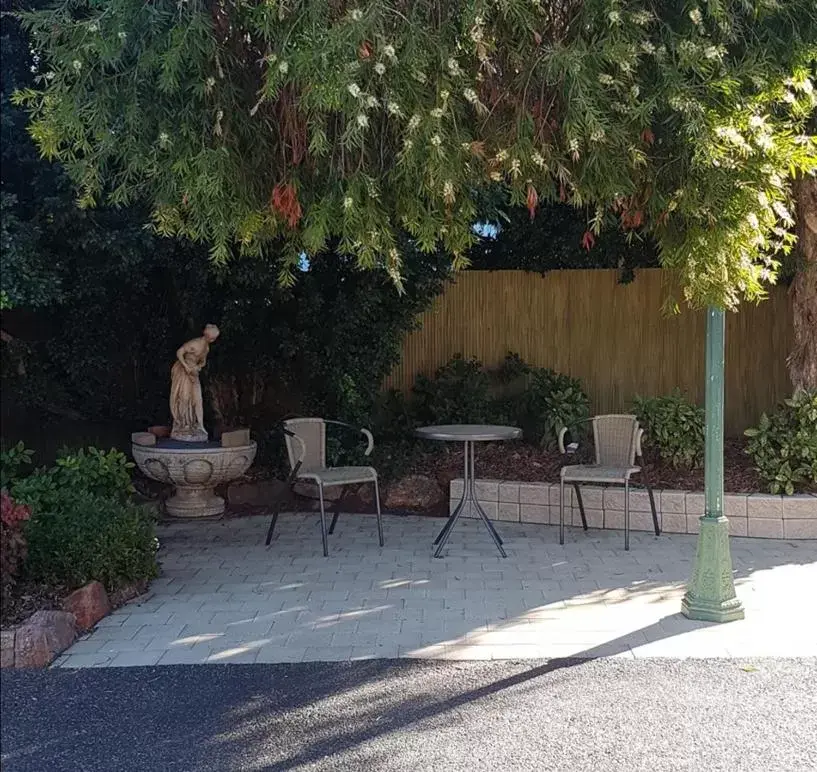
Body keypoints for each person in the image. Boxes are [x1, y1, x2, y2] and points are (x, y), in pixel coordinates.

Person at [169, 324, 220, 441]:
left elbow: (203, 361)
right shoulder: (195, 343)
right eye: (213, 338)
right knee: (184, 397)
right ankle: (183, 425)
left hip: (193, 372)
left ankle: (199, 425)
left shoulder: (206, 347)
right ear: (208, 336)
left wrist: (198, 366)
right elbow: (179, 352)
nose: (213, 340)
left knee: (197, 398)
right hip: (183, 371)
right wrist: (186, 366)